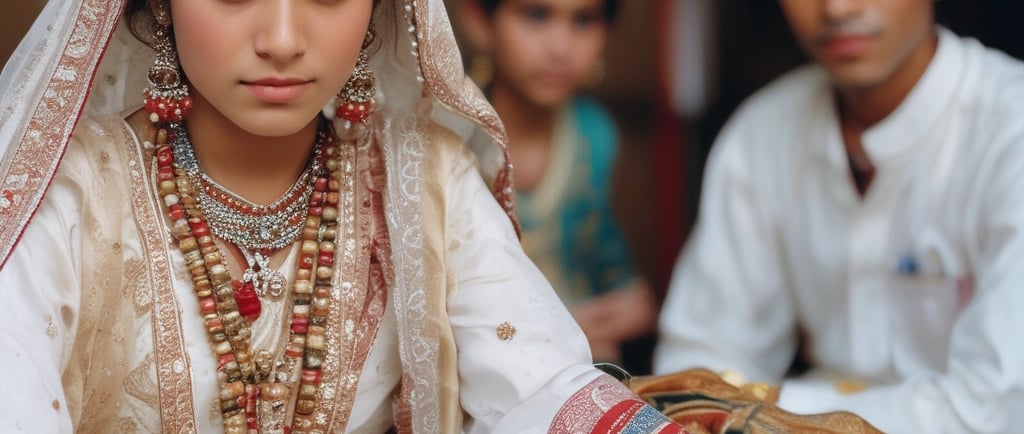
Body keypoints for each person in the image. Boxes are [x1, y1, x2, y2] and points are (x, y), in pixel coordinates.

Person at [0, 1, 693, 432]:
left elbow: (536, 386)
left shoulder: (423, 177)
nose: (280, 36)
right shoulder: (67, 192)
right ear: (160, 3)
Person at [654, 1, 1024, 432]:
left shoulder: (1009, 131)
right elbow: (695, 368)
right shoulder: (763, 132)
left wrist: (767, 407)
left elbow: (991, 411)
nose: (837, 9)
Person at [458, 0, 657, 365]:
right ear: (479, 20)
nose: (561, 48)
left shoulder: (593, 136)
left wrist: (631, 305)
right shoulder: (450, 138)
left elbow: (607, 264)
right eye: (536, 15)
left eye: (583, 20)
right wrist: (554, 334)